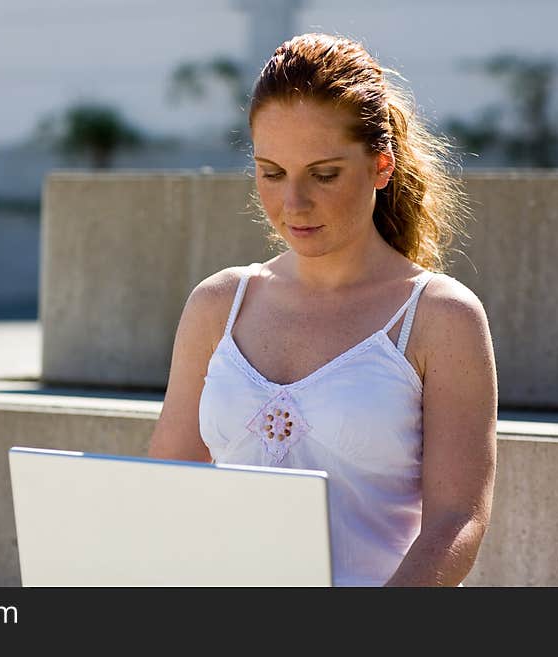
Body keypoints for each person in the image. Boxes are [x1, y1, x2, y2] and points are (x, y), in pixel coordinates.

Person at [147, 33, 498, 587]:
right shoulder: (219, 304)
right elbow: (168, 484)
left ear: (381, 167)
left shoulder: (439, 316)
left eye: (324, 174)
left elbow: (458, 519)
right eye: (272, 172)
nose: (294, 203)